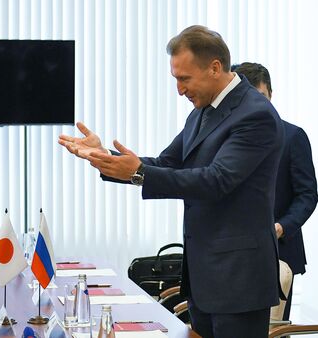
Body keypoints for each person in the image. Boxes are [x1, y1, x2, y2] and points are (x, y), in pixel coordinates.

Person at [59, 25, 284, 338]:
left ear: (215, 68)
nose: (180, 90)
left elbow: (217, 180)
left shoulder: (255, 114)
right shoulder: (202, 111)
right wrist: (106, 158)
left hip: (238, 281)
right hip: (204, 278)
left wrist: (137, 172)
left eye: (184, 79)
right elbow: (166, 164)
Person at [232, 62, 318, 320]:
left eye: (261, 97)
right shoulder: (228, 137)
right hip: (231, 253)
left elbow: (307, 195)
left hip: (279, 252)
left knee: (273, 328)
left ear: (271, 94)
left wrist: (282, 226)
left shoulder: (292, 136)